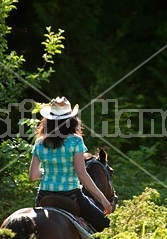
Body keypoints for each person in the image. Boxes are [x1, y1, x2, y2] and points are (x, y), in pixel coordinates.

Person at [29, 96, 112, 232]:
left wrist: (51, 172)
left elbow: (33, 176)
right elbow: (81, 173)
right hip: (71, 195)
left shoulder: (39, 143)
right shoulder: (75, 141)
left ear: (48, 121)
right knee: (106, 228)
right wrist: (103, 199)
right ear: (71, 120)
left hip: (44, 196)